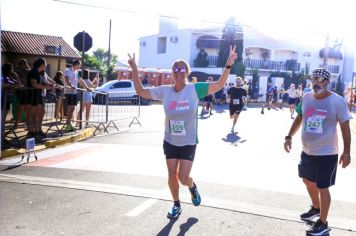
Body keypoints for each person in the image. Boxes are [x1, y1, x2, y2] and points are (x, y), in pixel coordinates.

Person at [127, 45, 237, 219]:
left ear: (187, 72)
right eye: (175, 69)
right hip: (170, 140)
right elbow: (140, 91)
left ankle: (192, 187)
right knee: (172, 175)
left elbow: (219, 84)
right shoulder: (164, 91)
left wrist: (228, 64)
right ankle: (176, 204)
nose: (178, 71)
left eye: (182, 68)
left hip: (188, 142)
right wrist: (134, 69)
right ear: (172, 72)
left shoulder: (195, 89)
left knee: (183, 178)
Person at [284, 68, 351, 236]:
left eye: (321, 80)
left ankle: (323, 223)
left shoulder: (337, 101)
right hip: (307, 151)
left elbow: (345, 128)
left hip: (327, 154)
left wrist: (347, 152)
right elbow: (299, 117)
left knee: (323, 187)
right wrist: (289, 136)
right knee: (306, 180)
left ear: (327, 82)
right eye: (314, 80)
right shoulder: (306, 98)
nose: (317, 83)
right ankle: (316, 207)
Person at [26, 58, 57, 138]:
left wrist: (51, 85)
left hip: (38, 95)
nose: (46, 65)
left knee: (40, 113)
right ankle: (30, 132)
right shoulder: (33, 72)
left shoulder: (42, 73)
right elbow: (34, 84)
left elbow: (44, 81)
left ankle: (38, 130)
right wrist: (47, 87)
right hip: (31, 95)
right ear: (41, 64)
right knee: (30, 114)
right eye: (45, 64)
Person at [63, 60, 90, 131]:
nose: (79, 67)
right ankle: (68, 124)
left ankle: (68, 123)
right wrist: (70, 85)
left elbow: (80, 80)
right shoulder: (67, 70)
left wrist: (87, 87)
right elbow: (66, 79)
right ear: (76, 65)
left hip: (74, 92)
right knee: (71, 107)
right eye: (79, 65)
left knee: (73, 108)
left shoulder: (76, 72)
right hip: (68, 92)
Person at [1, 63, 22, 145]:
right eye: (12, 69)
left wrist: (16, 76)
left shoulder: (10, 77)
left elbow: (19, 84)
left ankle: (2, 137)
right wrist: (9, 85)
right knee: (1, 120)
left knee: (3, 120)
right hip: (2, 99)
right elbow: (4, 85)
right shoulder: (3, 77)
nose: (13, 70)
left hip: (7, 100)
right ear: (8, 69)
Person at [14, 59, 30, 129]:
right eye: (19, 64)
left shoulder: (28, 71)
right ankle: (25, 123)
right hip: (19, 91)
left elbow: (28, 81)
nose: (20, 65)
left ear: (25, 64)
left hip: (26, 91)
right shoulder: (17, 71)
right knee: (23, 108)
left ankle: (17, 124)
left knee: (23, 107)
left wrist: (19, 79)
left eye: (21, 64)